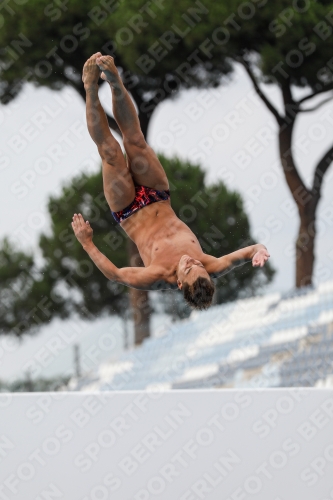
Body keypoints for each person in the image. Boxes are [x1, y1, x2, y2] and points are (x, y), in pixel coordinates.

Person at [71, 52, 270, 310]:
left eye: (189, 269)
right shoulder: (210, 266)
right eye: (198, 265)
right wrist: (260, 250)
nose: (193, 261)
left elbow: (116, 275)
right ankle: (114, 82)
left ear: (179, 283)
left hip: (128, 209)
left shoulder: (157, 276)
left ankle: (89, 87)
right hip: (157, 194)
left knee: (110, 152)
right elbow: (250, 250)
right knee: (134, 139)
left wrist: (87, 242)